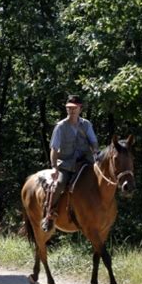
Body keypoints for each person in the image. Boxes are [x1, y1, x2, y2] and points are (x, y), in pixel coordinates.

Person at [42, 95, 99, 231]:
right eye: (69, 108)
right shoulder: (60, 127)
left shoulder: (86, 125)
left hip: (85, 163)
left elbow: (94, 142)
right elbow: (54, 149)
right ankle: (49, 214)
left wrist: (95, 151)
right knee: (59, 184)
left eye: (74, 108)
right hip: (67, 164)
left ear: (80, 108)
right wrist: (54, 167)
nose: (71, 111)